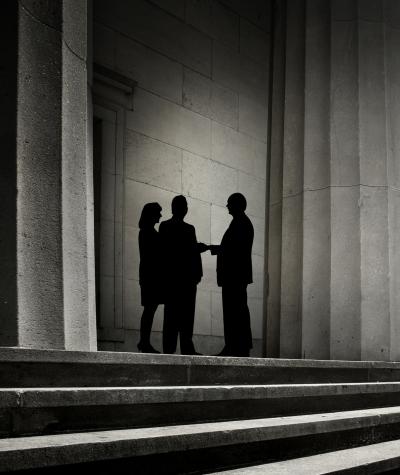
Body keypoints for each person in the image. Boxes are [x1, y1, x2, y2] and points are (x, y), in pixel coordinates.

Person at [159, 195, 208, 355]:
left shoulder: (164, 227)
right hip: (186, 281)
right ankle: (186, 348)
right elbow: (192, 253)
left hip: (172, 281)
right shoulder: (188, 229)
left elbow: (165, 255)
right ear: (183, 209)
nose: (186, 208)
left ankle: (169, 350)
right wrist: (197, 275)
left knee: (171, 318)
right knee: (186, 318)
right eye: (185, 205)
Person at [210, 193, 254, 357]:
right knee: (237, 311)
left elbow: (234, 250)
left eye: (229, 203)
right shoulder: (240, 222)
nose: (227, 206)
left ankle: (235, 346)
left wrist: (213, 248)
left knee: (234, 312)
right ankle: (237, 345)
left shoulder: (241, 223)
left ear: (237, 205)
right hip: (236, 276)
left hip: (234, 276)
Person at [137, 202, 163, 353]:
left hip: (149, 276)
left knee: (150, 309)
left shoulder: (147, 231)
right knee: (149, 309)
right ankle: (144, 342)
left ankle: (144, 341)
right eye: (158, 212)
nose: (160, 215)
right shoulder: (148, 232)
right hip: (150, 277)